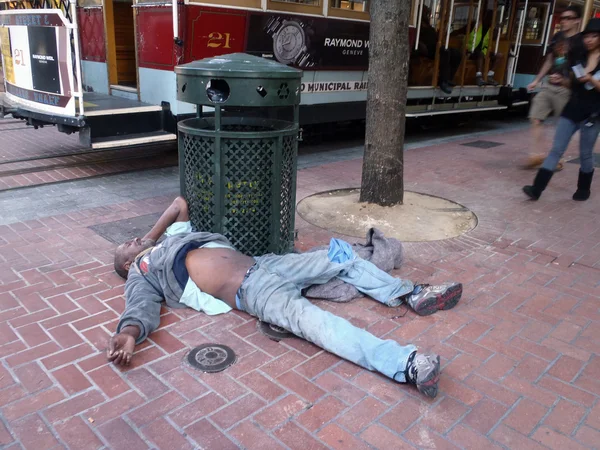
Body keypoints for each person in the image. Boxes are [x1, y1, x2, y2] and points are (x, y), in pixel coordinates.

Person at [109, 197, 463, 398]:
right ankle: (406, 364)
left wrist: (149, 237)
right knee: (318, 326)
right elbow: (138, 306)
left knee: (340, 255)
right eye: (125, 247)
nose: (131, 241)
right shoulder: (143, 272)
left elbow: (178, 205)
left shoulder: (169, 239)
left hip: (267, 264)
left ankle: (410, 294)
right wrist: (129, 335)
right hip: (253, 290)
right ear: (127, 265)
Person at [523, 19, 600, 201]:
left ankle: (583, 188)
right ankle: (536, 188)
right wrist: (561, 80)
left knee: (585, 153)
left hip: (593, 113)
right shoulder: (579, 56)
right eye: (587, 36)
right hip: (572, 108)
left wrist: (590, 79)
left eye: (594, 36)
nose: (589, 40)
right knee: (556, 149)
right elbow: (571, 82)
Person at [525, 6, 586, 170]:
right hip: (550, 85)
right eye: (562, 18)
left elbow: (583, 69)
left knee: (563, 126)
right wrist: (537, 80)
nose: (564, 21)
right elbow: (550, 60)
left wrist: (567, 80)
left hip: (567, 90)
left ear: (577, 20)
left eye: (568, 18)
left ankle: (557, 158)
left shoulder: (581, 41)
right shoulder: (557, 37)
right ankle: (536, 155)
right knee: (536, 118)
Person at [417, 6, 463, 94]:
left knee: (457, 53)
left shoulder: (428, 25)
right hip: (426, 49)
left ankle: (449, 78)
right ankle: (443, 81)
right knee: (444, 52)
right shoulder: (418, 25)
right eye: (426, 13)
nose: (427, 15)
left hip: (435, 47)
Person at [467, 11, 504, 86]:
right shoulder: (476, 25)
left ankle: (489, 76)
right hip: (471, 50)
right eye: (488, 19)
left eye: (492, 19)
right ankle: (478, 77)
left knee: (499, 55)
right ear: (484, 18)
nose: (490, 21)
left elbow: (494, 38)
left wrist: (497, 29)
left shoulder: (491, 29)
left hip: (483, 51)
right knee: (480, 54)